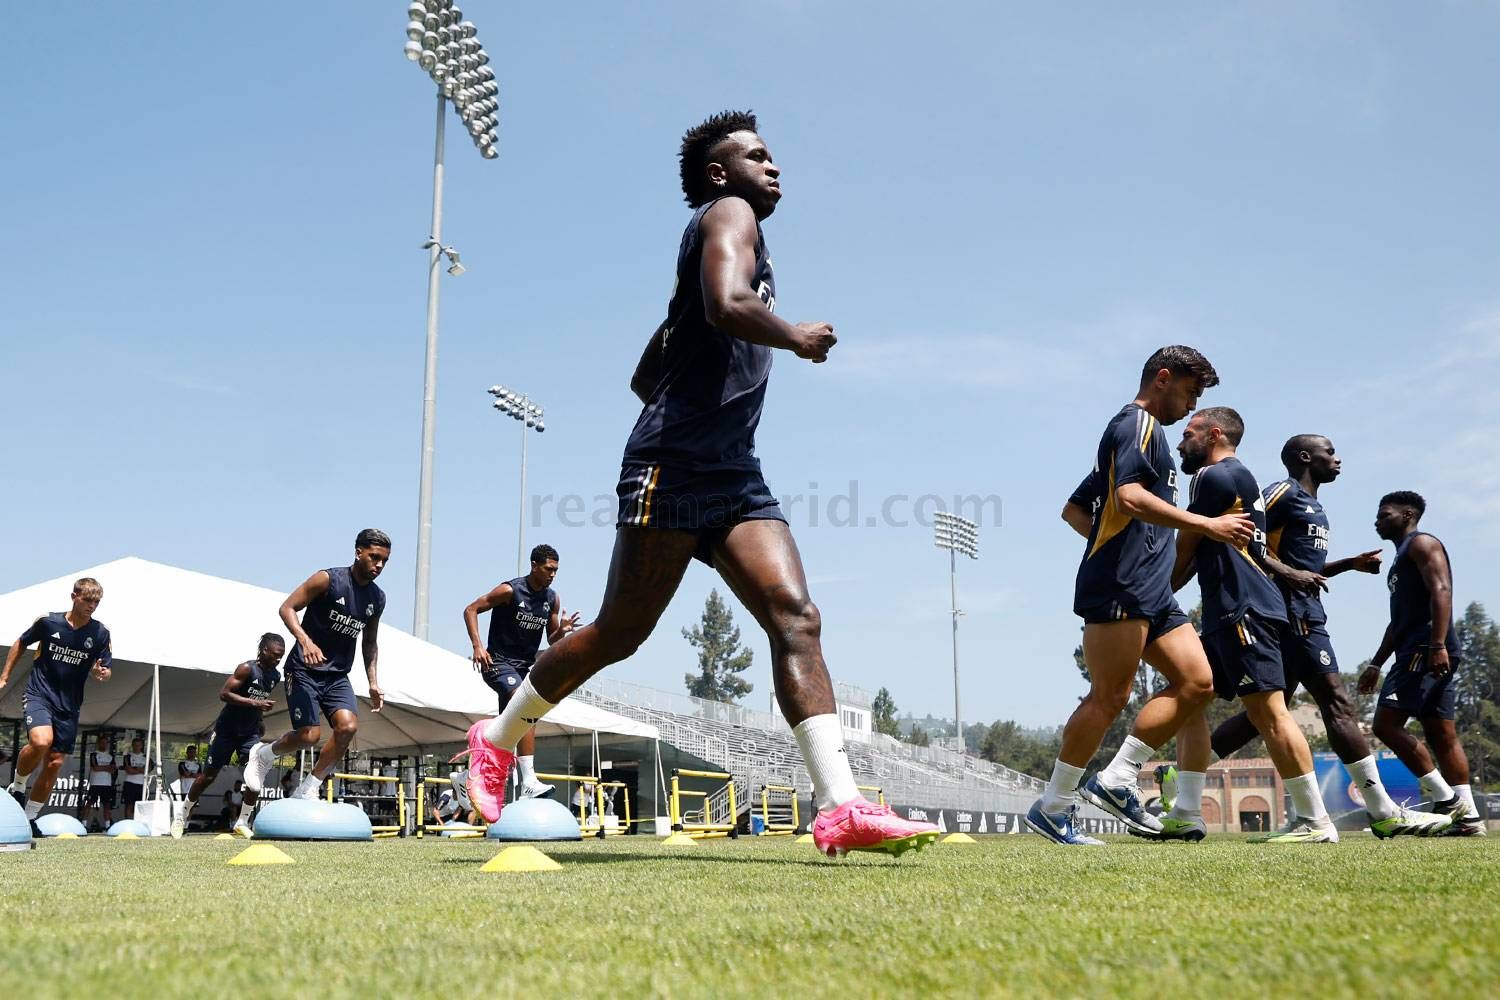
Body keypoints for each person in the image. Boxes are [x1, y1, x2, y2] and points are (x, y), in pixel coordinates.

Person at [458, 110, 937, 858]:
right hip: (674, 467)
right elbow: (725, 305)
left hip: (734, 473)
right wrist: (796, 336)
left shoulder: (731, 240)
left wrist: (692, 343)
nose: (773, 165)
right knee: (620, 633)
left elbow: (648, 370)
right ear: (721, 173)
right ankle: (498, 734)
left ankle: (841, 806)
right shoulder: (729, 213)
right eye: (757, 154)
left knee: (797, 617)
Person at [1029, 347, 1250, 846]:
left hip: (1152, 590)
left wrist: (1128, 541)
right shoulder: (1137, 426)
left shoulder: (1153, 441)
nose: (1191, 403)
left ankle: (1117, 778)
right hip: (1121, 585)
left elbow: (1077, 508)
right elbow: (1127, 497)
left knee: (1198, 683)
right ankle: (1054, 806)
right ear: (1163, 379)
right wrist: (1204, 525)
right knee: (1109, 696)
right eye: (1191, 391)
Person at [1209, 437, 1447, 838]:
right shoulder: (1281, 493)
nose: (1337, 459)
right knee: (1336, 702)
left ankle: (1181, 774)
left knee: (1265, 714)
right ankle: (1383, 809)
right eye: (1330, 452)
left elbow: (1304, 568)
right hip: (1291, 616)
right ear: (1306, 457)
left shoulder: (1315, 506)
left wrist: (1346, 565)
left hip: (1300, 612)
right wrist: (1288, 575)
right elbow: (1244, 540)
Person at [1164, 407, 1337, 843]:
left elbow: (1187, 544)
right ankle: (1186, 810)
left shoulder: (1210, 477)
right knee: (1189, 692)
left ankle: (1315, 821)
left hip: (1243, 610)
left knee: (1270, 714)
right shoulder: (1244, 480)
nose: (1180, 444)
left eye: (1188, 434)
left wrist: (1154, 593)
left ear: (1214, 434)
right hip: (1239, 609)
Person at [1358, 492, 1485, 836]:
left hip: (1426, 647)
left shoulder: (1422, 543)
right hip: (1421, 646)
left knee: (1385, 725)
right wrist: (1376, 664)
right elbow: (1397, 622)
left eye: (1384, 515)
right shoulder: (1400, 558)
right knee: (1441, 733)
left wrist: (1437, 644)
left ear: (1409, 514)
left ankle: (1446, 801)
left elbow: (1442, 590)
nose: (1377, 521)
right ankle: (1469, 818)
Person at [243, 530, 388, 801]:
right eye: (374, 557)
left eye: (384, 561)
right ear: (358, 552)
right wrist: (305, 641)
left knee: (348, 727)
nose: (379, 565)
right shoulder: (328, 579)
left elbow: (370, 642)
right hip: (303, 669)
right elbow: (287, 608)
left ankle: (309, 787)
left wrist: (373, 682)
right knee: (309, 736)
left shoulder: (377, 598)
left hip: (337, 675)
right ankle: (264, 755)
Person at [462, 544, 580, 800]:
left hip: (524, 667)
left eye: (556, 570)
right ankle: (529, 780)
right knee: (525, 704)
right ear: (534, 565)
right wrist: (478, 646)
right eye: (549, 569)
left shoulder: (552, 599)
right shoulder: (510, 590)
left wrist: (563, 630)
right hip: (497, 663)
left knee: (509, 728)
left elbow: (551, 639)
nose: (552, 575)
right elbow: (470, 609)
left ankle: (469, 775)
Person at [0, 577, 113, 835]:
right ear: (74, 596)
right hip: (39, 693)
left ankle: (29, 819)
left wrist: (101, 673)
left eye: (96, 602)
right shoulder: (49, 622)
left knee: (54, 762)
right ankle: (17, 786)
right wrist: (4, 676)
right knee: (41, 741)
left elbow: (105, 670)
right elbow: (20, 642)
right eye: (87, 600)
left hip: (69, 705)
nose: (92, 606)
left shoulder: (100, 633)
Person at [172, 633, 285, 838]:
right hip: (226, 731)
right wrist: (256, 704)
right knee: (208, 777)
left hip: (249, 733)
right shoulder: (246, 668)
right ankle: (182, 814)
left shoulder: (275, 676)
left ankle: (242, 822)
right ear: (264, 651)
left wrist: (260, 720)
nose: (279, 659)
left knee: (255, 776)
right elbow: (224, 694)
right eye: (276, 655)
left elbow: (260, 699)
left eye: (281, 656)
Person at [81, 732, 117, 832]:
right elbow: (95, 768)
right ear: (98, 743)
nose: (104, 744)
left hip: (107, 784)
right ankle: (83, 825)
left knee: (106, 805)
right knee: (89, 803)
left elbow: (113, 769)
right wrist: (107, 768)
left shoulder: (110, 756)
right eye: (102, 743)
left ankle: (107, 826)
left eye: (105, 743)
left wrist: (104, 768)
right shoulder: (94, 754)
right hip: (95, 783)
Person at [121, 736, 148, 818]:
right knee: (128, 805)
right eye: (135, 745)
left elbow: (148, 769)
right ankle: (128, 822)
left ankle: (138, 823)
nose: (137, 747)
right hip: (130, 783)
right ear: (132, 746)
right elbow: (129, 771)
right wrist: (141, 769)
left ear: (142, 746)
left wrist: (135, 769)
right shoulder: (127, 757)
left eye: (139, 745)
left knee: (140, 805)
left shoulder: (146, 757)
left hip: (142, 784)